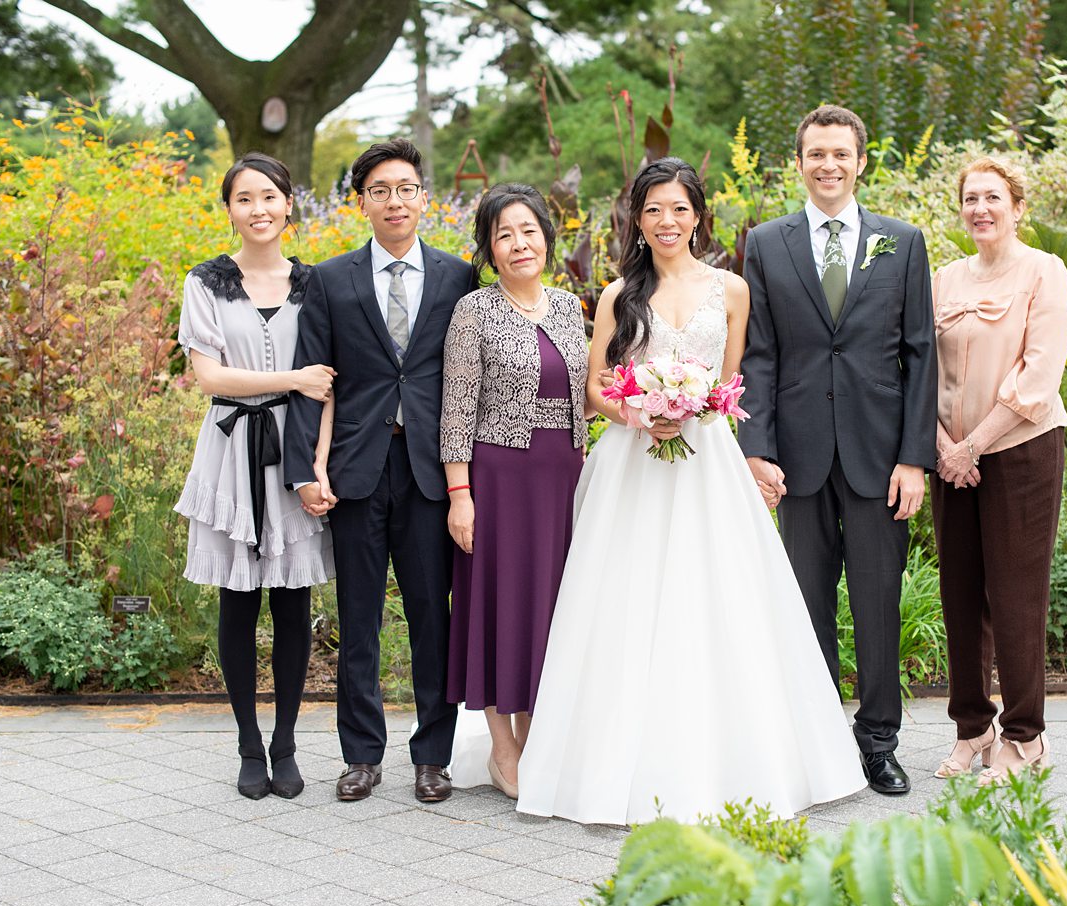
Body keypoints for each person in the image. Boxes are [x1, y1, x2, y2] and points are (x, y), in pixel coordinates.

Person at [516, 157, 865, 825]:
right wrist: (639, 413)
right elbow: (594, 387)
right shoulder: (619, 294)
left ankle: (735, 762)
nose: (666, 221)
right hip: (632, 462)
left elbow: (731, 384)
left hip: (707, 460)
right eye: (652, 210)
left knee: (719, 598)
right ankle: (608, 763)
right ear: (636, 220)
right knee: (623, 601)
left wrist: (696, 406)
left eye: (678, 209)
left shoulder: (731, 290)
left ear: (698, 215)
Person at [738, 105, 938, 796]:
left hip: (880, 457)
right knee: (806, 603)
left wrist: (914, 458)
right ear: (799, 161)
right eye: (816, 153)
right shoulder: (766, 243)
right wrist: (755, 447)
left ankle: (879, 741)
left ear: (860, 162)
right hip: (796, 456)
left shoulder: (903, 242)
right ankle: (821, 741)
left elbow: (920, 355)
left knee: (879, 601)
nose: (828, 165)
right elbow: (759, 354)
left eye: (840, 154)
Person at [283, 140, 475, 803]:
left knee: (432, 617)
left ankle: (433, 756)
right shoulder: (329, 280)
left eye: (406, 188)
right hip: (356, 469)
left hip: (429, 470)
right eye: (380, 190)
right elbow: (313, 379)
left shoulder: (458, 278)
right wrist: (305, 468)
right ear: (359, 201)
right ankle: (361, 755)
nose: (395, 200)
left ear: (425, 197)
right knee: (358, 618)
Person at [174, 153, 335, 800]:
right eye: (244, 198)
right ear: (230, 209)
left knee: (293, 602)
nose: (258, 208)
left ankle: (286, 743)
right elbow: (209, 377)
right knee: (237, 603)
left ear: (289, 203)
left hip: (294, 456)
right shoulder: (206, 281)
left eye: (269, 195)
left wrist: (318, 466)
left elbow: (331, 382)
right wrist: (290, 379)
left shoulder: (317, 283)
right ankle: (247, 743)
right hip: (232, 447)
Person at [439, 184, 590, 799]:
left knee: (548, 609)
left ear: (546, 239)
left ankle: (540, 736)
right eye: (505, 234)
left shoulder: (567, 306)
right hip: (500, 475)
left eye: (528, 230)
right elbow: (455, 408)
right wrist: (460, 494)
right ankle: (504, 746)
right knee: (498, 604)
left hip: (563, 479)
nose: (519, 243)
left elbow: (592, 391)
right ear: (490, 249)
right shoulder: (475, 311)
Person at [929, 156, 1067, 784]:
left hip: (1020, 451)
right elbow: (920, 370)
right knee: (960, 598)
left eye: (993, 197)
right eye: (970, 198)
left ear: (1017, 207)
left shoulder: (1044, 271)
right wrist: (941, 444)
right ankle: (973, 728)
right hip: (949, 456)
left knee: (1015, 598)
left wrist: (974, 446)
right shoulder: (943, 279)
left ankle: (1025, 736)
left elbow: (1037, 378)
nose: (980, 208)